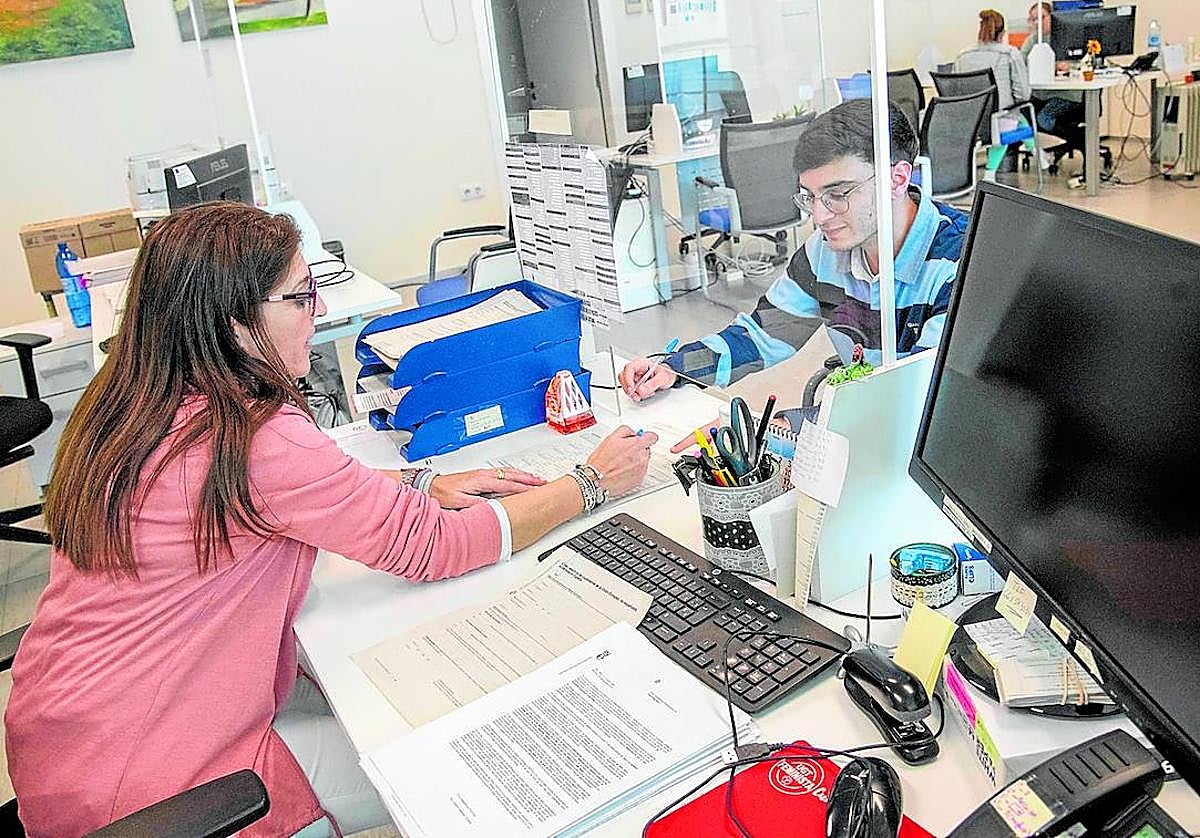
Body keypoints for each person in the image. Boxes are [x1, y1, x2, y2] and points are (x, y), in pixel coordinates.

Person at [3, 202, 658, 837]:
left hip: (71, 740)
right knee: (458, 760)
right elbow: (437, 549)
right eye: (299, 295)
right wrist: (591, 483)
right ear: (234, 322)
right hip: (156, 786)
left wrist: (420, 480)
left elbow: (253, 497)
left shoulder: (139, 401)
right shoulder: (255, 435)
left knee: (359, 695)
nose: (316, 311)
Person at [618, 99, 969, 436]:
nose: (819, 216)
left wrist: (781, 428)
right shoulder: (826, 251)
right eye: (809, 197)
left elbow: (920, 404)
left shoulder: (960, 263)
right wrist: (674, 368)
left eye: (838, 194)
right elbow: (764, 334)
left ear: (897, 179)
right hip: (860, 434)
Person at [955, 9, 1032, 172]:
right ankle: (991, 172)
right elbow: (1023, 95)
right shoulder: (1010, 54)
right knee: (1017, 114)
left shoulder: (962, 56)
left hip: (970, 126)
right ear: (1003, 33)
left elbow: (956, 95)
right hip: (999, 122)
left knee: (1016, 117)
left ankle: (1040, 157)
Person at [1022, 2, 1086, 154]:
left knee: (1044, 118)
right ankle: (1072, 141)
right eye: (1033, 19)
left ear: (1052, 17)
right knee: (1022, 117)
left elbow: (1084, 63)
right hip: (1041, 94)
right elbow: (1021, 62)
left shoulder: (1068, 37)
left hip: (1066, 94)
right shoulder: (1032, 41)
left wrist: (1069, 67)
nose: (1037, 22)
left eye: (1042, 17)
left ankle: (1080, 141)